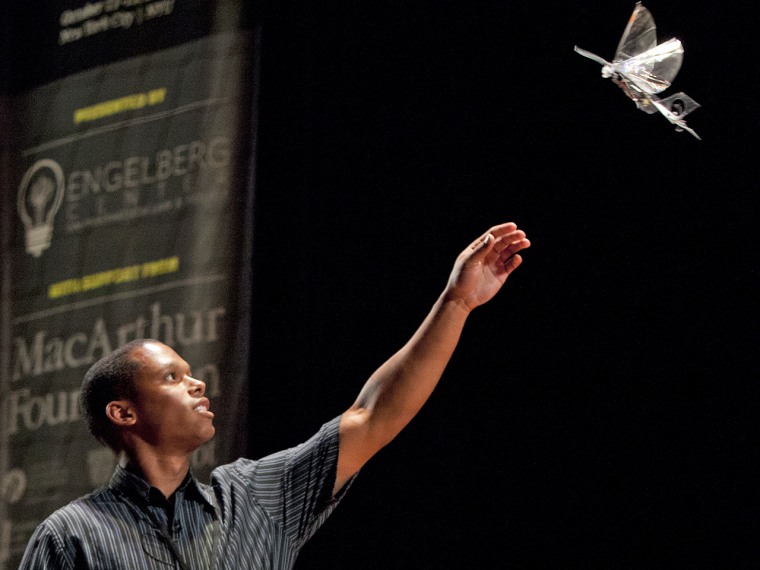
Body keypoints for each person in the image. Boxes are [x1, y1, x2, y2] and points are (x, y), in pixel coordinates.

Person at [19, 222, 530, 569]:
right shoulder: (72, 537)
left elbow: (371, 417)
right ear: (123, 412)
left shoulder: (255, 497)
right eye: (172, 377)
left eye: (191, 372)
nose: (197, 383)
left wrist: (457, 302)